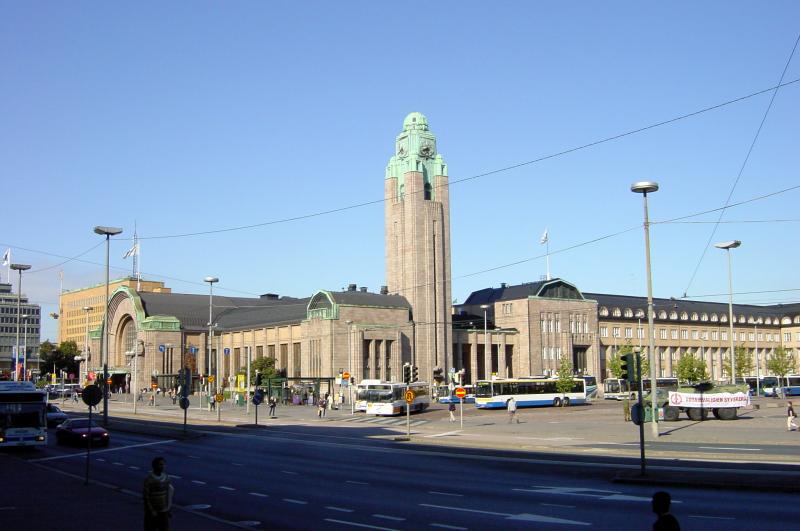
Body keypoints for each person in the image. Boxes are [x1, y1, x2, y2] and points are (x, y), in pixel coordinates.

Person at [143, 456, 173, 531]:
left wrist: (168, 509)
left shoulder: (167, 478)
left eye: (163, 464)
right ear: (154, 466)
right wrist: (151, 510)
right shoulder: (149, 480)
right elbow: (146, 497)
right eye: (160, 464)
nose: (162, 466)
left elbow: (168, 494)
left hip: (163, 511)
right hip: (153, 512)